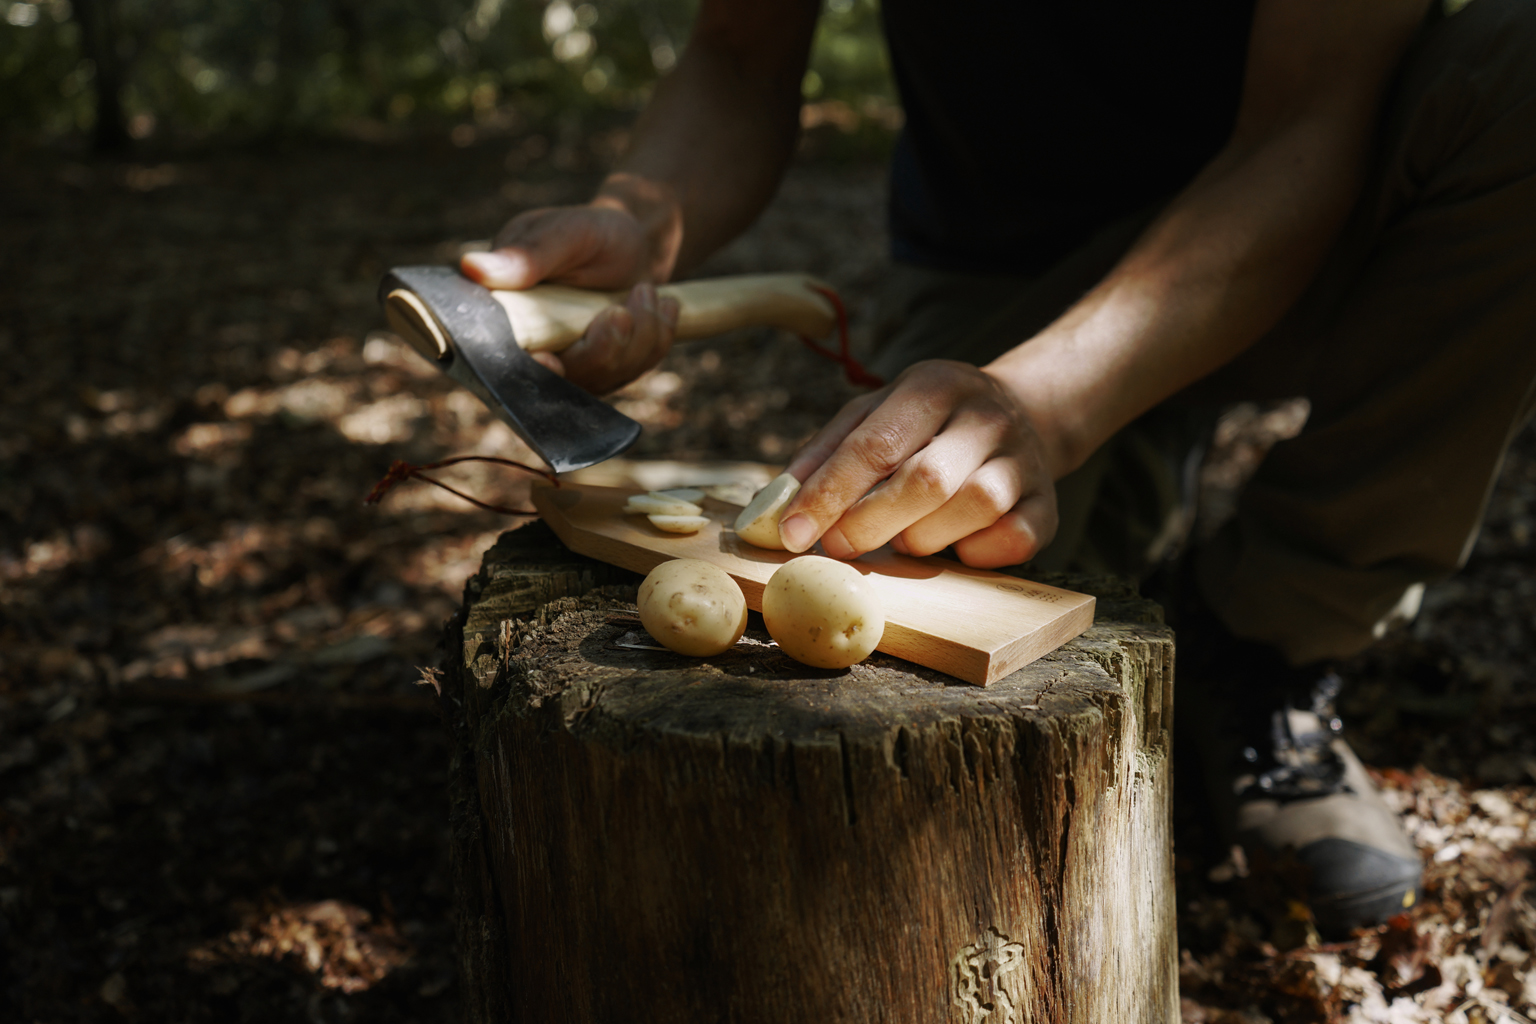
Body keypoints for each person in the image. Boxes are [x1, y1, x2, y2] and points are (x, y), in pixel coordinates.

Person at [459, 0, 1536, 932]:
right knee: (985, 603)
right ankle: (1147, 485)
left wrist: (1048, 405)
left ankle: (1272, 636)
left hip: (1326, 211)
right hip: (997, 271)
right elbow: (741, 55)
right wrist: (643, 215)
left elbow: (1302, 132)